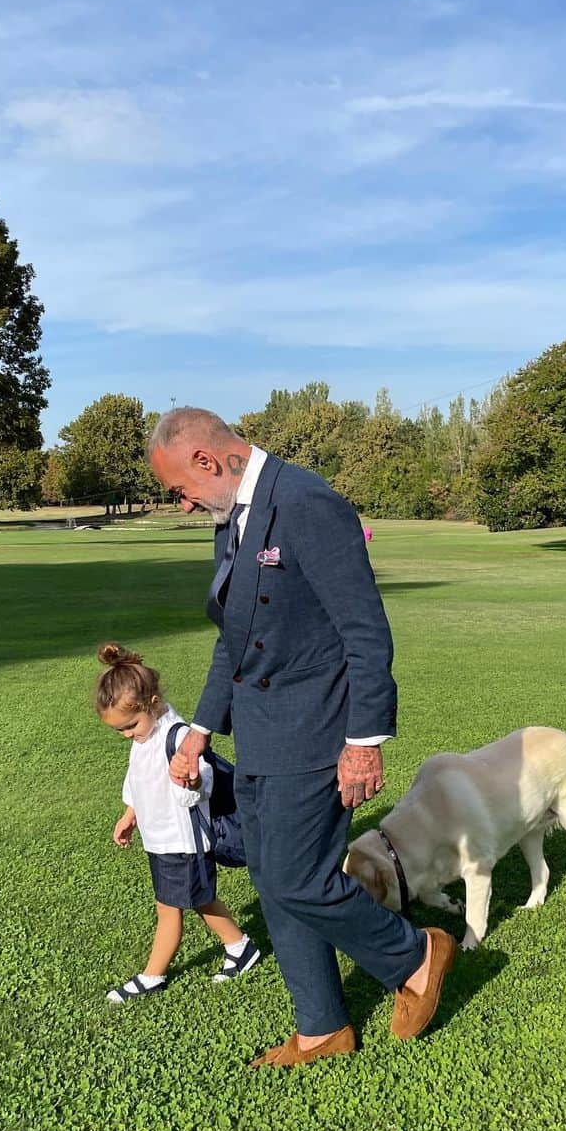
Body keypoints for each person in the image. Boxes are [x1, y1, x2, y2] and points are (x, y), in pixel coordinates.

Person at [147, 408, 457, 1067]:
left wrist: (365, 740)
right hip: (260, 733)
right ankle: (322, 1027)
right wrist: (199, 731)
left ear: (207, 460)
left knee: (297, 877)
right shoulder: (232, 518)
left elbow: (364, 629)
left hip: (316, 729)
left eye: (178, 487)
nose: (180, 502)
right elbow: (234, 642)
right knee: (272, 876)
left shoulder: (308, 502)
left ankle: (417, 955)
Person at [95, 642, 260, 1003]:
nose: (127, 735)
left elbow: (203, 783)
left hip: (183, 842)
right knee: (199, 900)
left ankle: (152, 976)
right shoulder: (144, 737)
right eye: (119, 731)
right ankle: (240, 947)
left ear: (153, 703)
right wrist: (129, 815)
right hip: (161, 840)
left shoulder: (179, 736)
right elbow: (137, 781)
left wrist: (194, 781)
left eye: (130, 726)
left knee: (171, 910)